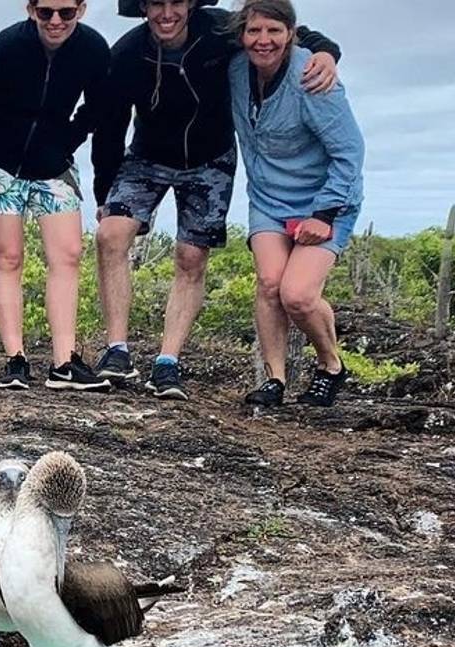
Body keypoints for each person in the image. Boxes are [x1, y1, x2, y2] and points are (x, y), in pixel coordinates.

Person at [90, 0, 340, 399]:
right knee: (110, 236)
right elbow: (109, 126)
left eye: (176, 3)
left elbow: (285, 30)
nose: (166, 14)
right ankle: (117, 350)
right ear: (143, 9)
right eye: (156, 4)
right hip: (147, 156)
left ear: (190, 5)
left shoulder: (222, 29)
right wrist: (104, 190)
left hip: (211, 159)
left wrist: (327, 52)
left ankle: (167, 362)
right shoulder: (128, 53)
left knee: (191, 258)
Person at [0, 0, 111, 391]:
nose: (55, 21)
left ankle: (64, 362)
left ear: (81, 10)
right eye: (45, 11)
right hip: (0, 160)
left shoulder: (94, 49)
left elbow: (99, 109)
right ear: (30, 9)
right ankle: (15, 359)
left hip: (53, 160)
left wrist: (67, 139)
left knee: (67, 254)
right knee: (8, 255)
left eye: (66, 12)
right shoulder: (4, 47)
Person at [230, 0, 363, 408]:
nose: (263, 40)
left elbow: (350, 151)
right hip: (268, 198)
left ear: (291, 33)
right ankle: (275, 379)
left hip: (325, 200)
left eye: (274, 30)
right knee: (269, 284)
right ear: (241, 35)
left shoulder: (312, 77)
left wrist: (323, 214)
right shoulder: (236, 69)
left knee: (299, 295)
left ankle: (331, 365)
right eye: (254, 31)